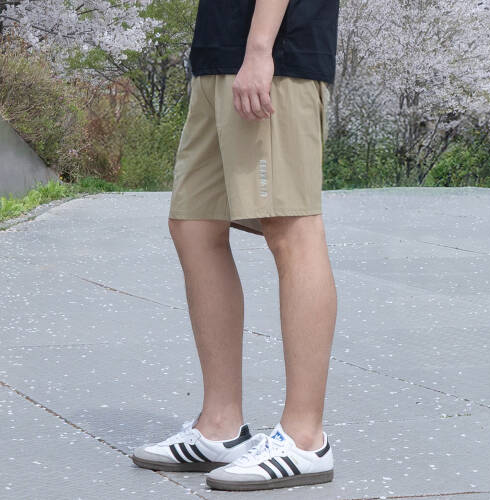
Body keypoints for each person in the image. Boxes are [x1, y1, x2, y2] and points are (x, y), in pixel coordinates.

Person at [132, 0, 340, 491]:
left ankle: (305, 438)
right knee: (194, 225)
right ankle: (220, 427)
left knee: (290, 230)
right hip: (219, 53)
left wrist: (260, 47)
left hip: (276, 55)